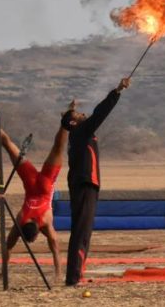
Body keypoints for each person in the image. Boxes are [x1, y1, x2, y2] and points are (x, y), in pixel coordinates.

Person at [0, 100, 66, 278]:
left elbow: (9, 246)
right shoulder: (20, 220)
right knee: (9, 146)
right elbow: (53, 248)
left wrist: (4, 272)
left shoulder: (43, 223)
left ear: (35, 234)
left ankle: (65, 123)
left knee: (57, 148)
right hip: (32, 183)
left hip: (43, 184)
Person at [62, 77, 130, 286]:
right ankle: (73, 278)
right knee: (82, 231)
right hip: (84, 185)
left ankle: (77, 274)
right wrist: (116, 91)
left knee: (84, 230)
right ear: (74, 123)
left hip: (85, 184)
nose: (83, 115)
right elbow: (100, 113)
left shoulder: (79, 133)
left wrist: (69, 109)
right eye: (78, 114)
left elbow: (86, 117)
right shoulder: (81, 131)